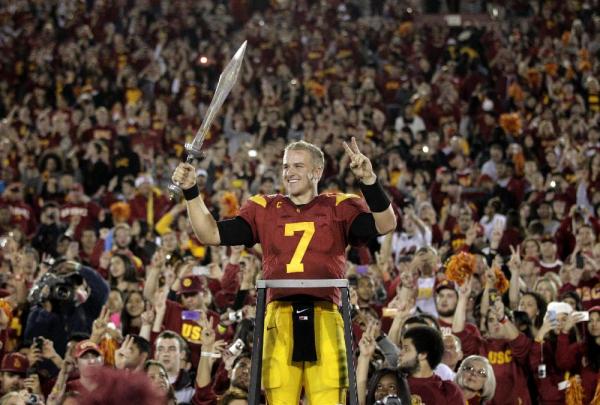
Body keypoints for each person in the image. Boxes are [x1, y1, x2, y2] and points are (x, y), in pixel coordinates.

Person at [172, 138, 396, 404]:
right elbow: (210, 234)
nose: (289, 172)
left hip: (326, 314)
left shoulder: (338, 206)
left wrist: (369, 181)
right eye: (286, 166)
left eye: (298, 166)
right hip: (279, 316)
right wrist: (191, 191)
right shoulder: (264, 208)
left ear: (317, 171)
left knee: (328, 398)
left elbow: (386, 224)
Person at [398, 325, 464, 404]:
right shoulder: (392, 383)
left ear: (423, 354)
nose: (400, 353)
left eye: (406, 349)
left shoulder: (450, 392)